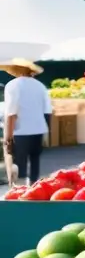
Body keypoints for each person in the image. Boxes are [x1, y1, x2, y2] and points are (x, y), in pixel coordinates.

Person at [2, 58, 51, 186]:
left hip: (20, 131)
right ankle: (34, 190)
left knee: (18, 166)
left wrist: (8, 136)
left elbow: (11, 113)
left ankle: (18, 192)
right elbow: (47, 111)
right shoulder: (41, 86)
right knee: (35, 162)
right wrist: (47, 132)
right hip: (38, 130)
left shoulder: (12, 85)